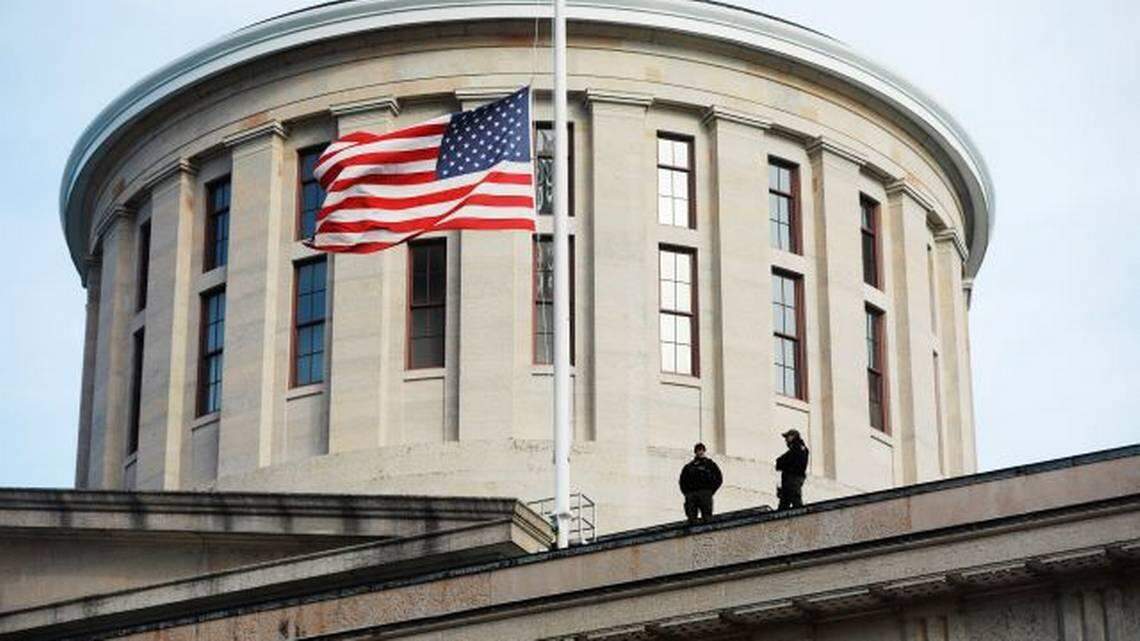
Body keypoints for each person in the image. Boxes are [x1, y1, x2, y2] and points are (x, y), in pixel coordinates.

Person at [679, 442, 723, 524]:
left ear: (704, 451)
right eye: (698, 450)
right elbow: (682, 482)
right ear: (695, 452)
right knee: (691, 518)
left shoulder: (710, 464)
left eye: (701, 450)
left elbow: (719, 478)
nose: (700, 452)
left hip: (705, 492)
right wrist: (688, 494)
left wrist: (710, 491)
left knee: (707, 518)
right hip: (692, 494)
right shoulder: (689, 466)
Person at [775, 429, 809, 510]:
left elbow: (782, 461)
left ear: (793, 436)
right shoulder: (799, 448)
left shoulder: (797, 448)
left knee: (794, 499)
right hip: (792, 478)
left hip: (793, 478)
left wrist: (782, 464)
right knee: (786, 500)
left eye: (787, 437)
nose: (786, 440)